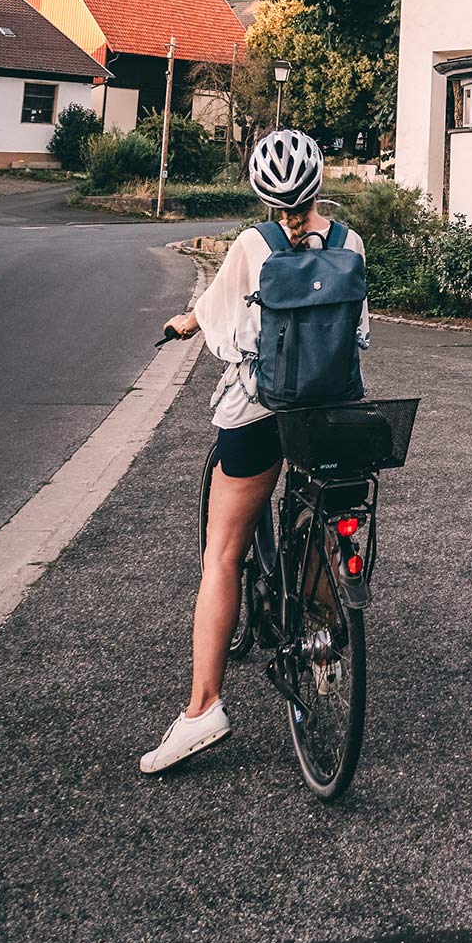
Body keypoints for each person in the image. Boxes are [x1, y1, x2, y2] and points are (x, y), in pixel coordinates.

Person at [140, 128, 369, 775]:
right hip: (334, 415)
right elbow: (360, 331)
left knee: (223, 553)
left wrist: (186, 320)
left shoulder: (252, 245)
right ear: (319, 184)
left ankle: (203, 707)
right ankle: (323, 645)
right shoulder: (350, 242)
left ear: (265, 195)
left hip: (261, 415)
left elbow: (217, 321)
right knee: (326, 519)